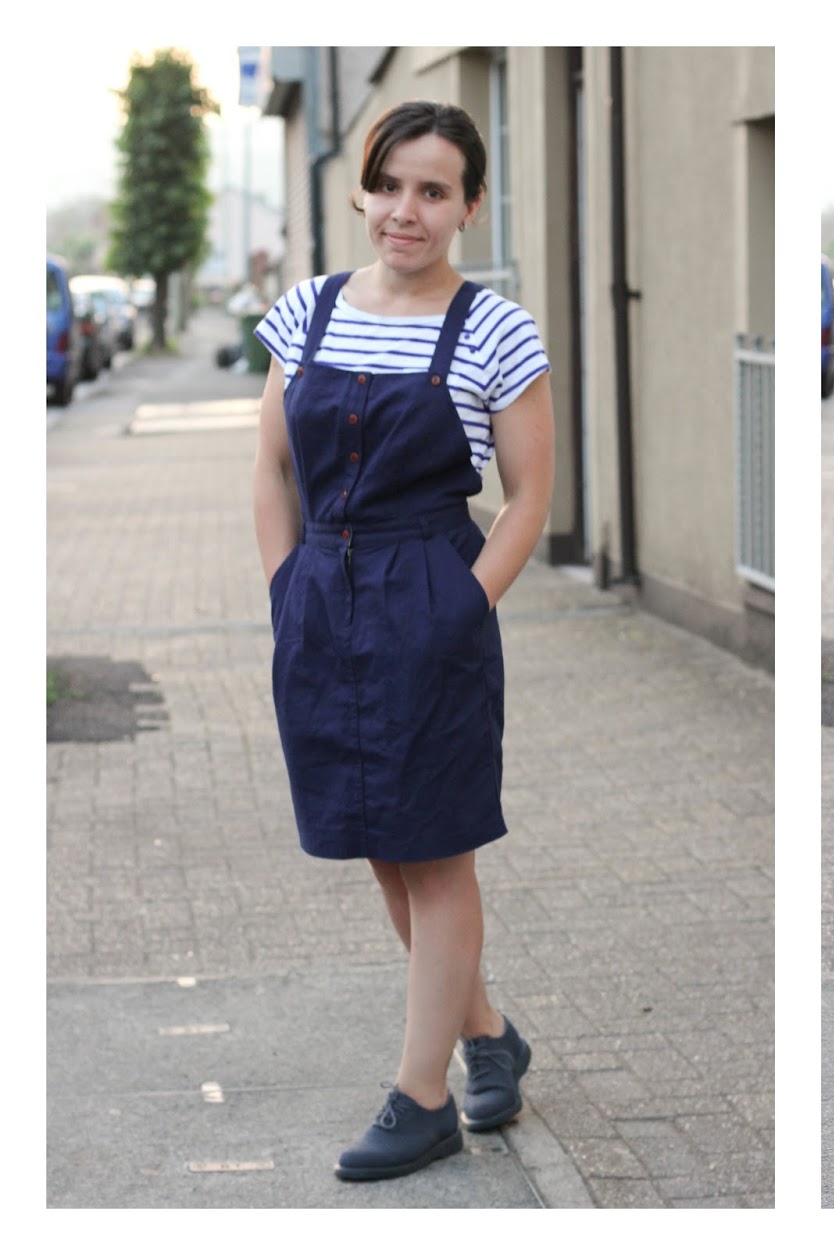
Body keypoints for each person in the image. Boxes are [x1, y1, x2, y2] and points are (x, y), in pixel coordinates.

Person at [251, 100, 556, 1182]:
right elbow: (275, 469)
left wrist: (460, 608)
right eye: (390, 185)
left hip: (428, 586)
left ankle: (421, 1096)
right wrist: (286, 588)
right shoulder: (307, 313)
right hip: (321, 602)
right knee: (379, 839)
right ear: (362, 190)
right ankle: (486, 1035)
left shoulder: (495, 330)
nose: (406, 210)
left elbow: (527, 499)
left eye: (434, 190)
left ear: (471, 203)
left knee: (435, 845)